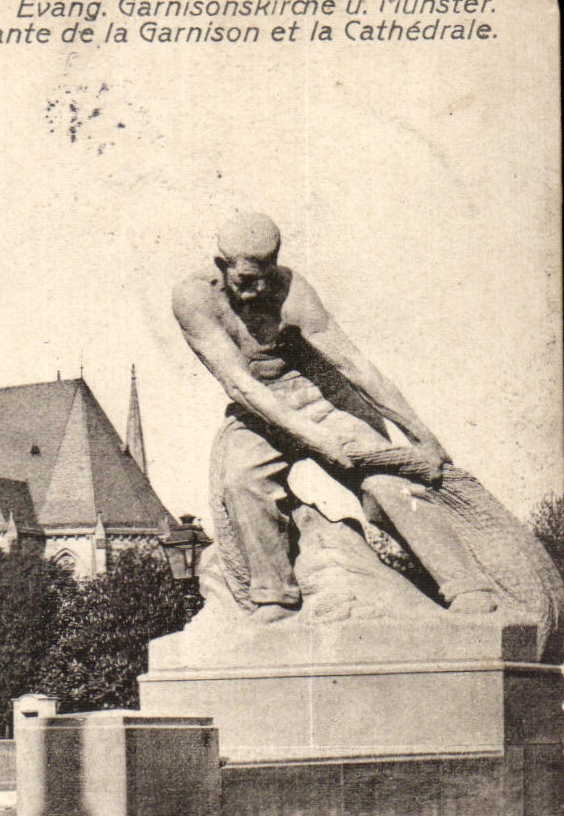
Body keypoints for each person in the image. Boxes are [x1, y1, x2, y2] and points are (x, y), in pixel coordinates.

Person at [172, 213, 497, 622]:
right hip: (258, 411)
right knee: (241, 479)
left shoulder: (292, 291)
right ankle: (275, 597)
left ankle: (465, 584)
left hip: (318, 398)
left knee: (388, 483)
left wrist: (420, 434)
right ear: (222, 266)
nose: (256, 291)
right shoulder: (194, 298)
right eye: (244, 280)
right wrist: (315, 439)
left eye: (264, 278)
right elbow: (241, 386)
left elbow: (353, 365)